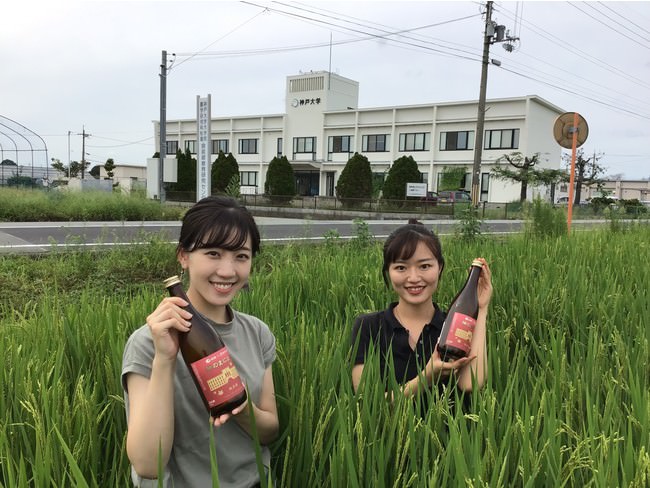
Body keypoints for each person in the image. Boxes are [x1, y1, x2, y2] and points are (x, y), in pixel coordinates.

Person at [122, 196, 279, 488]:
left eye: (241, 256)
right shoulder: (147, 343)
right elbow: (146, 464)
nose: (228, 271)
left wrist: (242, 408)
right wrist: (165, 359)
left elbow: (269, 431)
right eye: (213, 253)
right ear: (184, 256)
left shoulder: (257, 333)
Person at [351, 219, 492, 404]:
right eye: (401, 267)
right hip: (390, 434)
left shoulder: (453, 325)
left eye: (424, 266)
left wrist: (481, 309)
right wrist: (426, 377)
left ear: (439, 267)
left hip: (447, 432)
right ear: (388, 272)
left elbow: (470, 384)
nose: (414, 278)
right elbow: (367, 402)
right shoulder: (368, 327)